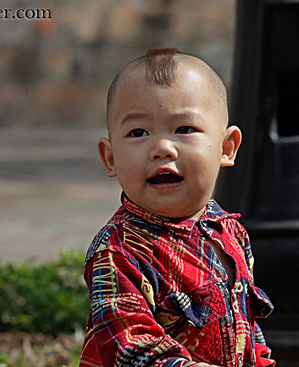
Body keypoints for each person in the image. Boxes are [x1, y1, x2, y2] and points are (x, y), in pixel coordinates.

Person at [80, 48, 275, 367]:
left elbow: (247, 329)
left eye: (183, 129)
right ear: (111, 157)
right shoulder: (118, 253)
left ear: (226, 148)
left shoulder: (230, 233)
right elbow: (132, 349)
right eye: (138, 132)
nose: (161, 148)